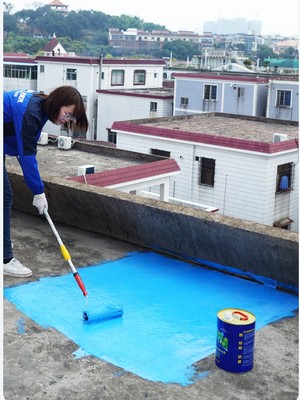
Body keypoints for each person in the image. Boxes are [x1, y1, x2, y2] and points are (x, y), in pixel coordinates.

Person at [3, 86, 88, 277]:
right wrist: (38, 191)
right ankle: (5, 259)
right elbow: (27, 155)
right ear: (57, 103)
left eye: (71, 118)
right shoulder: (32, 113)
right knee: (4, 197)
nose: (66, 120)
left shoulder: (38, 105)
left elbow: (22, 144)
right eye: (67, 113)